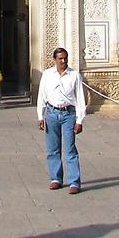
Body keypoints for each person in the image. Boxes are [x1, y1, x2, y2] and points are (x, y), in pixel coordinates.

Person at [36, 47, 86, 195]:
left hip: (68, 114)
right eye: (60, 59)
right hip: (51, 113)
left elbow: (80, 98)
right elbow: (42, 95)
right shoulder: (47, 75)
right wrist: (40, 115)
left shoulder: (74, 75)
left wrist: (80, 120)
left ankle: (74, 181)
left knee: (70, 148)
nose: (63, 61)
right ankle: (55, 178)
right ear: (55, 59)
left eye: (65, 58)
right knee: (53, 149)